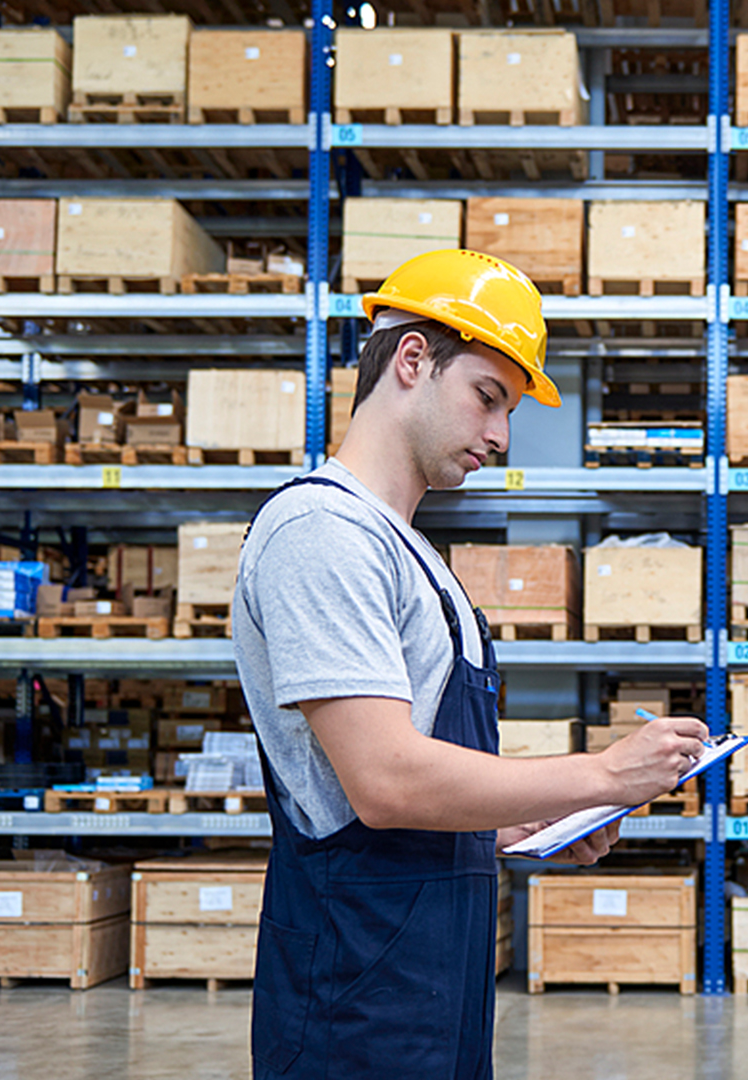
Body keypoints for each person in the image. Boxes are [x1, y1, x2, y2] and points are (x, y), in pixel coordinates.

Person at [233, 249, 710, 1080]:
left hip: (430, 990)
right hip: (353, 1003)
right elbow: (385, 781)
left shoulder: (409, 551)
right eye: (487, 397)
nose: (500, 434)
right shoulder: (321, 534)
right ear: (412, 361)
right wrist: (601, 776)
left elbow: (410, 785)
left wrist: (509, 829)